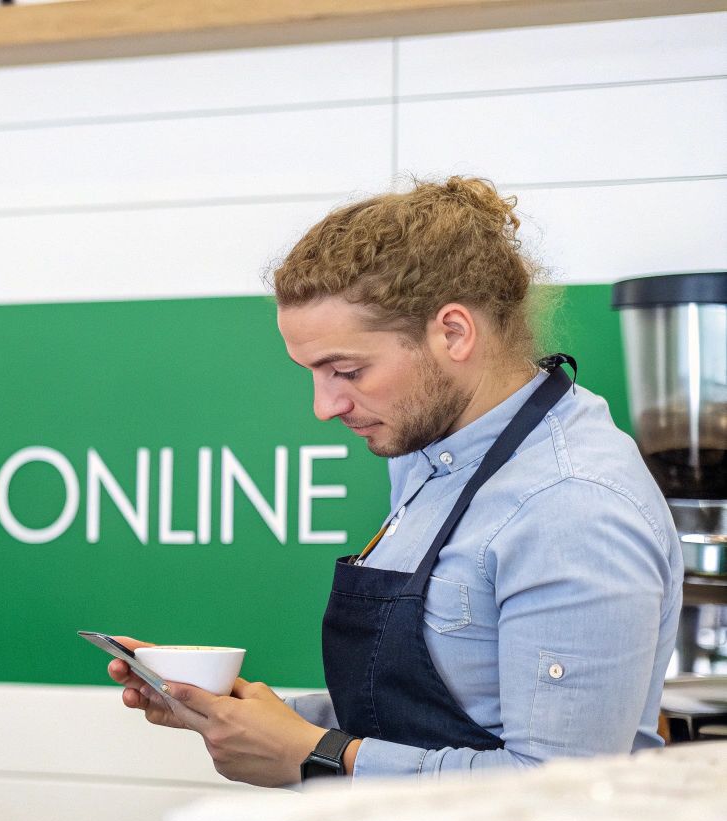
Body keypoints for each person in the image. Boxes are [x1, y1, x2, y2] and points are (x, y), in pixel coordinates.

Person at [108, 178, 680, 785]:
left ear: (453, 332)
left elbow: (560, 790)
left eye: (347, 370)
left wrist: (317, 755)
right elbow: (441, 718)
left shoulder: (571, 506)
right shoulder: (425, 459)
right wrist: (245, 718)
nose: (324, 406)